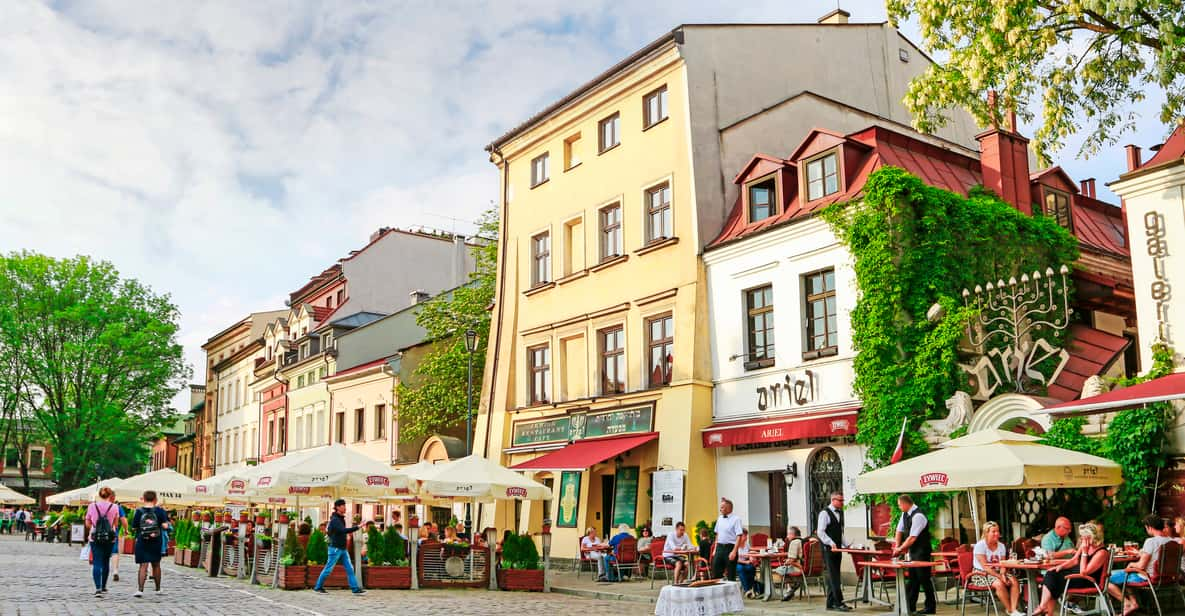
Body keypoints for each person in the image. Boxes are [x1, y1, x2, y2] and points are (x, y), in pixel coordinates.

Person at [1032, 523, 1109, 616]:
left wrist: (1084, 552)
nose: (1082, 539)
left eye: (1085, 537)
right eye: (1082, 537)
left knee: (1054, 580)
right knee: (1051, 573)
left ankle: (1044, 608)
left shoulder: (1102, 552)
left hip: (1088, 580)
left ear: (1093, 537)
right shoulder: (1085, 545)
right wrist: (1059, 567)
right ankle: (1044, 607)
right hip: (1076, 574)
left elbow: (1084, 572)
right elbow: (1074, 560)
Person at [1107, 514, 1173, 616]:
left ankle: (1127, 603)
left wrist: (1131, 564)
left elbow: (1141, 566)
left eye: (1146, 527)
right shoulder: (1171, 541)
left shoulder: (1151, 541)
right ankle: (1133, 603)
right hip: (1166, 577)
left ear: (1149, 527)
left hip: (1147, 577)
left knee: (1106, 579)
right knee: (1127, 574)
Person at [894, 494, 938, 615]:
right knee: (913, 579)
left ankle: (930, 607)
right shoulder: (905, 514)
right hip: (913, 552)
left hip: (922, 551)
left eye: (899, 505)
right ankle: (909, 606)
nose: (899, 507)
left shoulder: (918, 516)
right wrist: (897, 546)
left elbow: (912, 538)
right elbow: (899, 531)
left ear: (905, 503)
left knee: (924, 579)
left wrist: (900, 549)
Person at [312, 499, 365, 595]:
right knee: (328, 569)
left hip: (342, 549)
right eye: (343, 506)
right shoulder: (335, 520)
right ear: (337, 507)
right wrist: (358, 526)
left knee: (350, 568)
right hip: (335, 549)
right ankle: (318, 587)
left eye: (345, 505)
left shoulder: (340, 518)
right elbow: (343, 530)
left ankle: (355, 589)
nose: (345, 508)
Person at [970, 521, 1022, 616]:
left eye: (997, 531)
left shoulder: (1001, 546)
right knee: (998, 583)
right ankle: (1010, 610)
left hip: (998, 572)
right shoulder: (980, 546)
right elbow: (985, 566)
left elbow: (1002, 564)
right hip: (981, 573)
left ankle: (1014, 609)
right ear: (986, 533)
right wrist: (1000, 577)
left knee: (1014, 580)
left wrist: (1003, 575)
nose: (997, 534)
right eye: (993, 531)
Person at [130, 490, 170, 598]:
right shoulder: (160, 511)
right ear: (155, 499)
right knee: (156, 565)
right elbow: (165, 526)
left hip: (142, 540)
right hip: (156, 540)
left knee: (143, 565)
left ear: (143, 499)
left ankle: (140, 589)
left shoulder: (139, 511)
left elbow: (133, 527)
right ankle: (157, 589)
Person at [84, 487, 121, 597]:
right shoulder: (114, 507)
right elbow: (115, 524)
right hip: (110, 538)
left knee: (97, 561)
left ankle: (98, 588)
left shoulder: (92, 506)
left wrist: (94, 528)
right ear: (110, 496)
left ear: (99, 495)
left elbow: (87, 522)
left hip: (95, 537)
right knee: (105, 561)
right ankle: (104, 586)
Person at [818, 491, 850, 611]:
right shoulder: (824, 513)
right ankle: (839, 603)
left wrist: (846, 545)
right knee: (834, 576)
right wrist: (831, 543)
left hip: (837, 549)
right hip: (828, 549)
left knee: (834, 574)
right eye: (840, 500)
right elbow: (820, 532)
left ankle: (830, 604)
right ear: (833, 500)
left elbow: (839, 532)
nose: (842, 503)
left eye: (843, 500)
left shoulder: (839, 513)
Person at [712, 498, 743, 580]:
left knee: (730, 575)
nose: (720, 509)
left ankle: (731, 592)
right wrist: (715, 549)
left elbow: (739, 536)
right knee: (716, 572)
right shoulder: (719, 518)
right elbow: (717, 534)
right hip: (719, 548)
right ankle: (717, 592)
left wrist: (734, 551)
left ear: (728, 508)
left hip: (730, 548)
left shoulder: (736, 519)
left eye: (722, 507)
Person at [777, 526, 805, 601]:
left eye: (788, 534)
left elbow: (791, 560)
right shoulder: (804, 541)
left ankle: (790, 589)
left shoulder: (794, 542)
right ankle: (794, 586)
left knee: (779, 570)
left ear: (793, 534)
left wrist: (786, 562)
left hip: (798, 568)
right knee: (785, 569)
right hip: (808, 568)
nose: (787, 536)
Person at [735, 530, 763, 598]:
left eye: (746, 536)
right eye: (745, 536)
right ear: (740, 537)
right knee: (740, 568)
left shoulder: (746, 544)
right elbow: (735, 559)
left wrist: (751, 557)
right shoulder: (735, 545)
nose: (746, 538)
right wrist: (745, 562)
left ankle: (750, 588)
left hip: (746, 562)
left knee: (751, 567)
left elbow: (749, 552)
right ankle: (747, 590)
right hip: (737, 563)